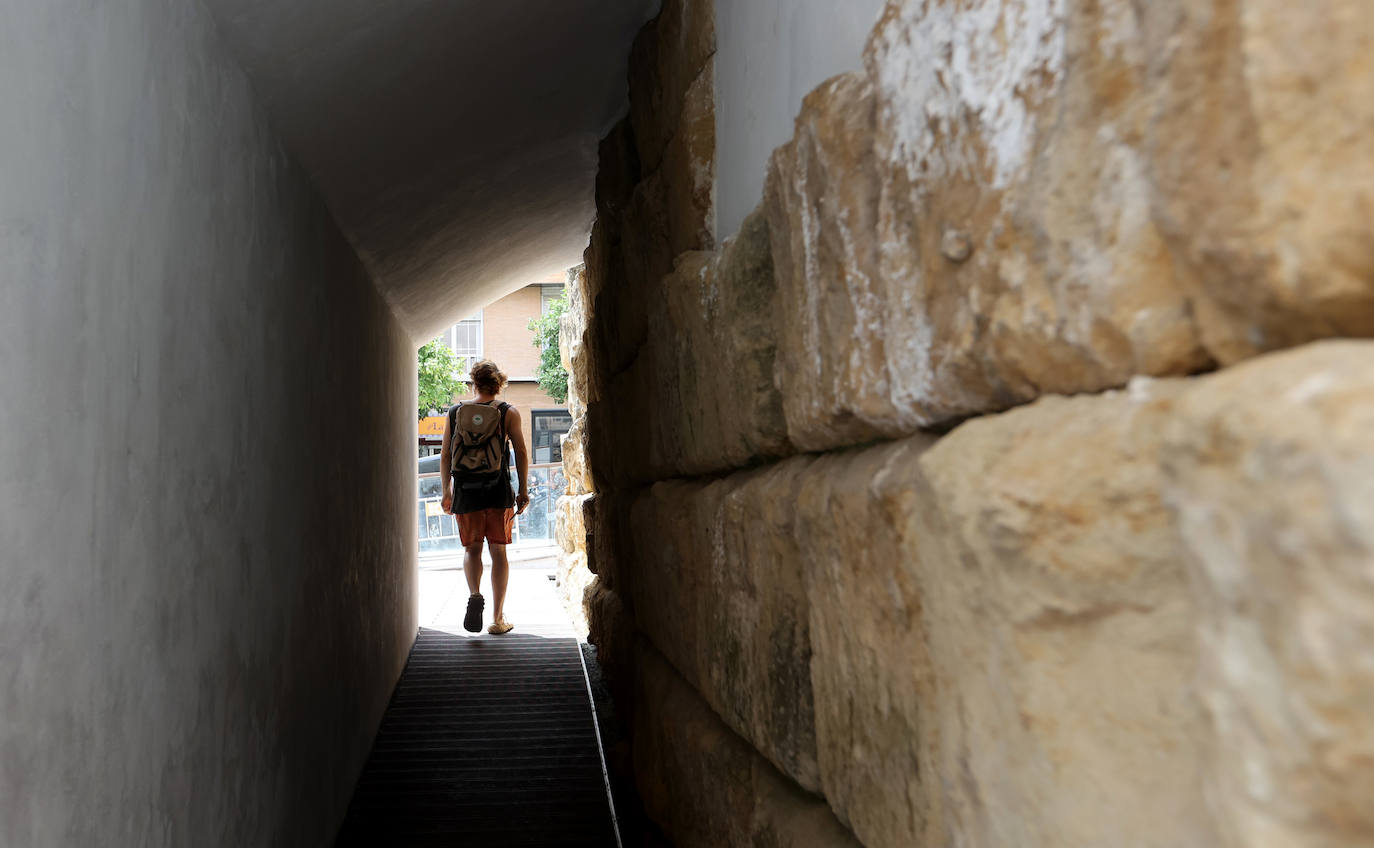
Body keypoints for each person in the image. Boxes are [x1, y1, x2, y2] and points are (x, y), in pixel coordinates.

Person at [440, 359, 530, 634]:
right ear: (499, 384)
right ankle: (497, 618)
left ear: (474, 382)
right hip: (497, 487)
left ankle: (475, 594)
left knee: (472, 548)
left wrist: (447, 490)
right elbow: (521, 453)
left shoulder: (456, 412)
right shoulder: (507, 412)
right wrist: (523, 490)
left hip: (466, 490)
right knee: (498, 550)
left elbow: (445, 454)